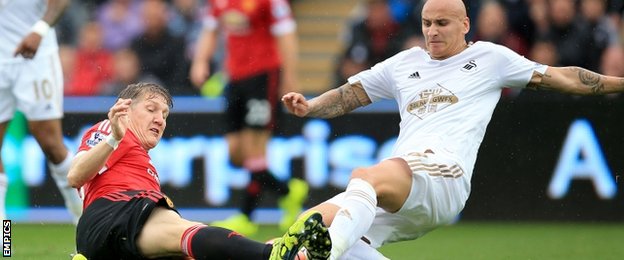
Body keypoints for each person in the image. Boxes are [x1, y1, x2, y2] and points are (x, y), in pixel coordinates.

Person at [281, 0, 624, 259]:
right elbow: (350, 94)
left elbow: (563, 77)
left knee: (365, 177)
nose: (432, 31)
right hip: (407, 193)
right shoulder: (405, 63)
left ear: (465, 25)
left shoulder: (490, 58)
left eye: (442, 23)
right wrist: (310, 107)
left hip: (446, 176)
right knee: (310, 222)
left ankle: (325, 251)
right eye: (427, 23)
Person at [67, 82, 332, 260]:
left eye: (165, 115)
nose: (160, 119)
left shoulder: (139, 158)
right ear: (125, 109)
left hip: (115, 236)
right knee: (185, 231)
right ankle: (274, 255)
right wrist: (113, 137)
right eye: (151, 110)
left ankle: (294, 255)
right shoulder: (113, 130)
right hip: (112, 216)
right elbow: (75, 175)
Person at [190, 0, 308, 235]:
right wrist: (200, 61)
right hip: (234, 79)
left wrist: (290, 76)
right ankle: (287, 190)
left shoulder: (271, 2)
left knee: (255, 151)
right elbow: (210, 29)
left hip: (263, 77)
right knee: (235, 153)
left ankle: (246, 216)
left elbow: (286, 35)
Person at [0, 0, 82, 222]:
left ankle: (84, 218)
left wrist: (39, 30)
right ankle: (2, 237)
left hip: (35, 56)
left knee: (50, 143)